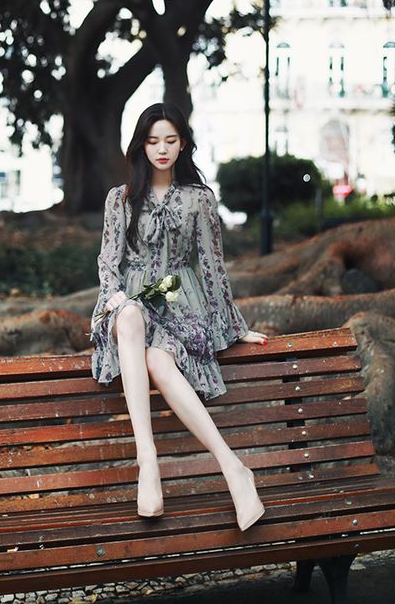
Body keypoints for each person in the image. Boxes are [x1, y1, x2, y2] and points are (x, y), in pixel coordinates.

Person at [90, 102, 269, 531]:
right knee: (131, 317)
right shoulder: (121, 199)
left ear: (183, 143)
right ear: (141, 146)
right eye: (153, 141)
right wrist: (114, 302)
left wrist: (235, 327)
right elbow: (107, 265)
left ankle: (234, 470)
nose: (162, 149)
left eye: (170, 140)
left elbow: (211, 268)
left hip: (177, 305)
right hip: (128, 306)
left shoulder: (198, 200)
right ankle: (147, 463)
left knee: (157, 358)